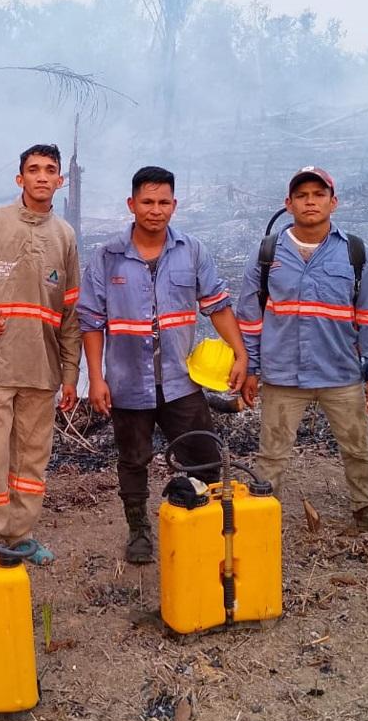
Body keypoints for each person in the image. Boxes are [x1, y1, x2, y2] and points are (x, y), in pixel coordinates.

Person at [77, 166, 247, 564]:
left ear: (174, 205)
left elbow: (217, 306)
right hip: (127, 382)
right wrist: (96, 379)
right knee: (133, 460)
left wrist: (240, 353)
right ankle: (139, 530)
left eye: (164, 202)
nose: (156, 210)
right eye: (147, 202)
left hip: (180, 380)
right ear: (131, 204)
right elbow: (91, 322)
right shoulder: (107, 257)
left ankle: (201, 522)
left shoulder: (191, 250)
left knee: (204, 455)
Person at [0, 143, 80, 565]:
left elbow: (70, 313)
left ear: (60, 180)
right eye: (34, 169)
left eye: (50, 170)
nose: (42, 176)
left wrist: (70, 373)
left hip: (41, 369)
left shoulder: (64, 236)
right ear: (19, 178)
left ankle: (20, 536)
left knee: (31, 460)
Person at [236, 166, 368, 531]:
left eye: (319, 195)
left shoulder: (356, 254)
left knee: (357, 447)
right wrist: (251, 368)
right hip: (283, 374)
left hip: (341, 372)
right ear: (288, 204)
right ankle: (261, 520)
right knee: (272, 454)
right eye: (301, 196)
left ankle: (366, 509)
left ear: (334, 203)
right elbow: (250, 318)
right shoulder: (267, 253)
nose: (310, 202)